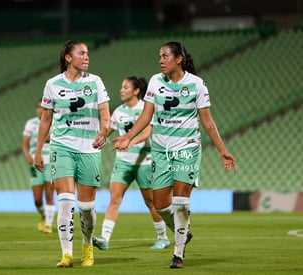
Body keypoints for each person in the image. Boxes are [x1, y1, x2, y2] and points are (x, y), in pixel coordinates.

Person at [112, 42, 237, 269]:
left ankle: (178, 254)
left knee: (180, 202)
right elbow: (146, 116)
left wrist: (222, 150)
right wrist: (129, 137)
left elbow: (207, 122)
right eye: (159, 56)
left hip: (187, 148)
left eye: (165, 56)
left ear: (178, 59)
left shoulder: (196, 84)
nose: (160, 60)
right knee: (160, 205)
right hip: (161, 151)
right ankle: (183, 232)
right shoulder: (156, 82)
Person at [34, 40, 110, 268]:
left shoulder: (95, 82)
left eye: (88, 53)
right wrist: (39, 149)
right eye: (82, 53)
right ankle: (66, 254)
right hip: (61, 147)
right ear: (68, 57)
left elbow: (105, 114)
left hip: (89, 149)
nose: (87, 57)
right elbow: (46, 119)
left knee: (86, 209)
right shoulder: (53, 84)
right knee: (66, 202)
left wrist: (104, 131)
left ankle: (87, 247)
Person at [92, 76, 170, 250]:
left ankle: (162, 237)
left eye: (125, 87)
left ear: (136, 91)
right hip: (123, 162)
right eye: (121, 86)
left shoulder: (146, 108)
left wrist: (130, 141)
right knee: (114, 199)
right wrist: (97, 138)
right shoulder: (119, 111)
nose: (121, 90)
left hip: (145, 162)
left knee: (151, 203)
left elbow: (147, 132)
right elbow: (106, 132)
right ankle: (104, 238)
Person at [22, 100, 55, 234]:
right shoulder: (31, 124)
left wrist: (51, 137)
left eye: (43, 107)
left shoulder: (54, 122)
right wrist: (28, 156)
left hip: (51, 160)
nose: (41, 110)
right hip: (36, 161)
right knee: (37, 199)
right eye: (39, 107)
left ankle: (48, 224)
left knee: (49, 194)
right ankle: (44, 215)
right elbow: (25, 143)